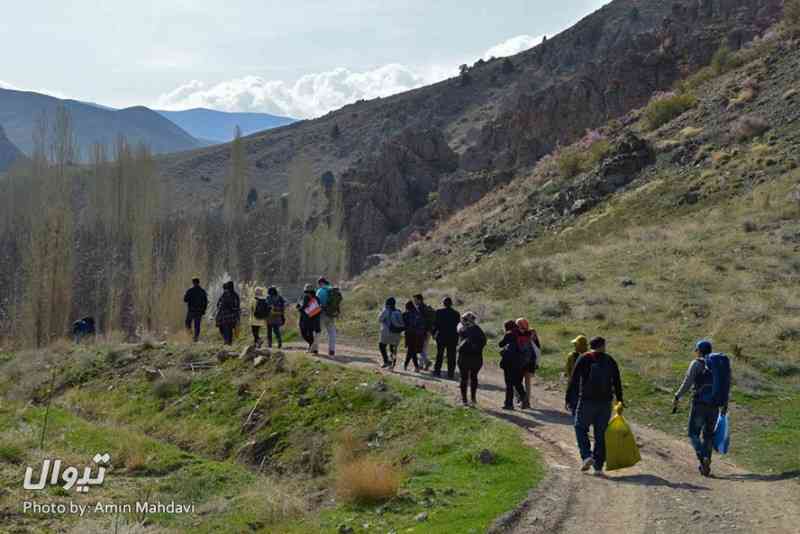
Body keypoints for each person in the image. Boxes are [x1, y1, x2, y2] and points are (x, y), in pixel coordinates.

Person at [565, 336, 624, 474]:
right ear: (603, 346)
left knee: (580, 427)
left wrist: (568, 398)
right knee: (601, 434)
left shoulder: (584, 358)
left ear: (590, 346)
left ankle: (586, 456)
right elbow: (617, 381)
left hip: (586, 400)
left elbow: (573, 380)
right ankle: (598, 466)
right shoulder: (610, 360)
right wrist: (620, 400)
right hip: (605, 403)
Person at [672, 340, 730, 477]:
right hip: (715, 406)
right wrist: (724, 404)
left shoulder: (697, 364)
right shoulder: (718, 366)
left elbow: (687, 382)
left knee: (693, 433)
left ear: (699, 350)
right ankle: (706, 463)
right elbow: (725, 385)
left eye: (696, 349)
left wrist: (677, 396)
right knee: (708, 435)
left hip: (699, 405)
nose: (695, 352)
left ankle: (703, 457)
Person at [457, 312, 487, 406]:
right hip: (476, 357)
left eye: (464, 319)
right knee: (474, 377)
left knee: (464, 378)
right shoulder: (478, 330)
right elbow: (484, 342)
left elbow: (459, 331)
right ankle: (473, 399)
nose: (462, 321)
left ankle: (464, 400)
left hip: (464, 357)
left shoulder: (463, 329)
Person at [499, 320, 528, 410]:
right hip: (521, 362)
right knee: (517, 383)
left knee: (509, 384)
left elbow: (500, 344)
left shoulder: (509, 334)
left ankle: (509, 404)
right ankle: (525, 399)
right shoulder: (524, 333)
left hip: (509, 362)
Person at [433, 297, 460, 378]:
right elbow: (458, 326)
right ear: (451, 304)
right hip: (453, 337)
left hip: (441, 336)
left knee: (439, 354)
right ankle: (450, 373)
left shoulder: (439, 312)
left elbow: (435, 324)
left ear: (443, 303)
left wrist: (434, 334)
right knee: (451, 356)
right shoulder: (456, 313)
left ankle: (437, 371)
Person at [516, 318, 541, 407]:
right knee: (527, 382)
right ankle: (526, 401)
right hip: (531, 361)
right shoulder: (532, 333)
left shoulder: (517, 334)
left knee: (517, 381)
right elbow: (538, 348)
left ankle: (521, 400)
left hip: (520, 361)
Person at [378, 297, 404, 368]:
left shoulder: (386, 311)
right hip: (397, 333)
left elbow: (380, 319)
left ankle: (386, 361)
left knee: (381, 346)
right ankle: (392, 365)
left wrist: (382, 311)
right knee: (393, 349)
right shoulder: (398, 311)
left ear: (387, 304)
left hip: (387, 333)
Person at [316, 277, 338, 357]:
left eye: (319, 284)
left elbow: (317, 303)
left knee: (318, 331)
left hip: (322, 314)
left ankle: (315, 349)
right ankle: (332, 350)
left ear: (321, 283)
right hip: (331, 314)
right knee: (332, 333)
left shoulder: (320, 291)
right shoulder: (333, 290)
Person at [413, 294, 436, 370]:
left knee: (421, 348)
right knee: (423, 348)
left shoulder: (420, 308)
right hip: (427, 330)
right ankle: (425, 363)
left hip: (422, 331)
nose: (414, 301)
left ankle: (422, 364)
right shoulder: (426, 307)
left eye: (415, 300)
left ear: (419, 300)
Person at [297, 284, 322, 354]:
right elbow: (319, 309)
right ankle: (314, 348)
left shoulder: (305, 297)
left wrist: (299, 308)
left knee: (304, 334)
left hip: (305, 319)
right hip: (314, 319)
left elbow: (302, 308)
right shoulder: (317, 298)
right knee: (310, 334)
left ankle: (312, 346)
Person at [215, 281, 241, 346]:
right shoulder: (235, 295)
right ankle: (228, 342)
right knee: (228, 329)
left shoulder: (227, 294)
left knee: (226, 329)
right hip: (231, 316)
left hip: (226, 316)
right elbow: (237, 306)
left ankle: (227, 342)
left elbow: (219, 304)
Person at [402, 301, 425, 372]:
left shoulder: (406, 314)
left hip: (410, 334)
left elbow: (403, 324)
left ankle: (415, 367)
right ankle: (406, 365)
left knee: (412, 350)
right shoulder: (418, 313)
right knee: (411, 350)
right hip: (419, 335)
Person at [183, 278, 208, 342]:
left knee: (187, 323)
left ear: (193, 283)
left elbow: (185, 300)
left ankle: (190, 334)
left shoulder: (190, 290)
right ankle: (195, 338)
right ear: (198, 282)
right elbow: (205, 302)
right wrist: (204, 310)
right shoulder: (202, 291)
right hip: (199, 311)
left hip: (191, 310)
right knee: (197, 325)